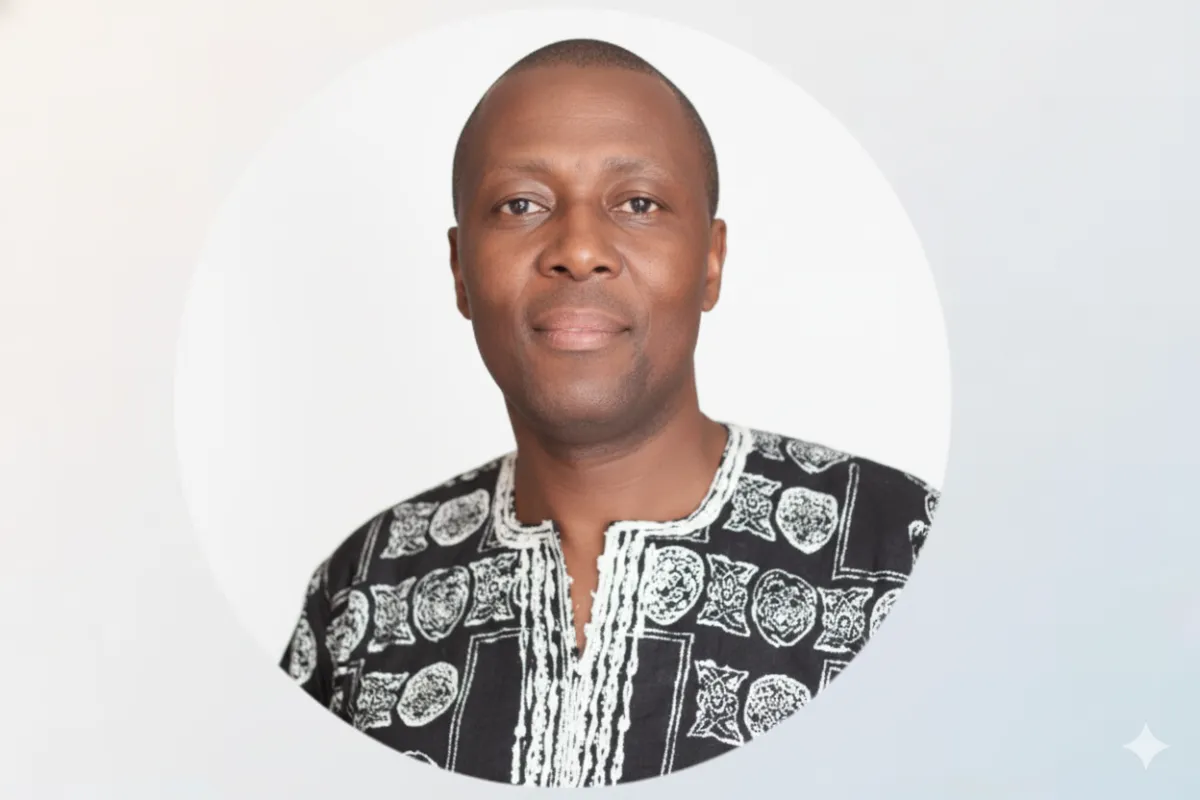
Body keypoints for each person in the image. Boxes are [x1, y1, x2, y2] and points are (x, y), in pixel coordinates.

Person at [280, 37, 939, 787]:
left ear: (710, 263)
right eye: (521, 204)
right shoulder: (363, 588)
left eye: (638, 203)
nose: (580, 249)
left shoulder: (903, 554)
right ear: (461, 272)